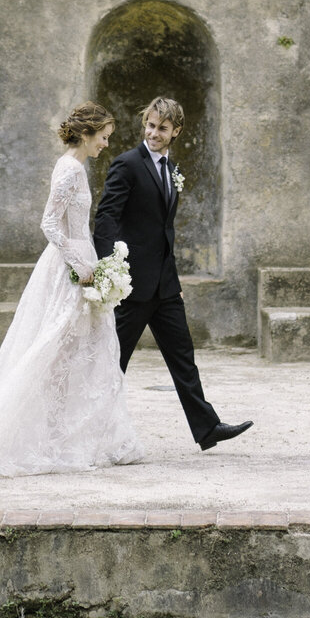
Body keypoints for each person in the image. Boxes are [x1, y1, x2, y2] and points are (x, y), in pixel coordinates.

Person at [0, 102, 142, 478]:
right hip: (71, 269)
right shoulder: (70, 169)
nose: (106, 144)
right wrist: (81, 265)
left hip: (82, 262)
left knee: (84, 352)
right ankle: (45, 436)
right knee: (55, 350)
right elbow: (49, 224)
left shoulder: (74, 166)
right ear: (87, 132)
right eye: (103, 137)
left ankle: (79, 436)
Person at [94, 96, 253, 453]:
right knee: (111, 362)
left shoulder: (172, 169)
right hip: (131, 286)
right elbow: (106, 219)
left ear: (175, 131)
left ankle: (207, 428)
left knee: (183, 357)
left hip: (165, 288)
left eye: (161, 128)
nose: (153, 132)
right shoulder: (127, 165)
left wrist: (175, 282)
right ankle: (87, 429)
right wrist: (108, 272)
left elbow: (165, 234)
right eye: (149, 125)